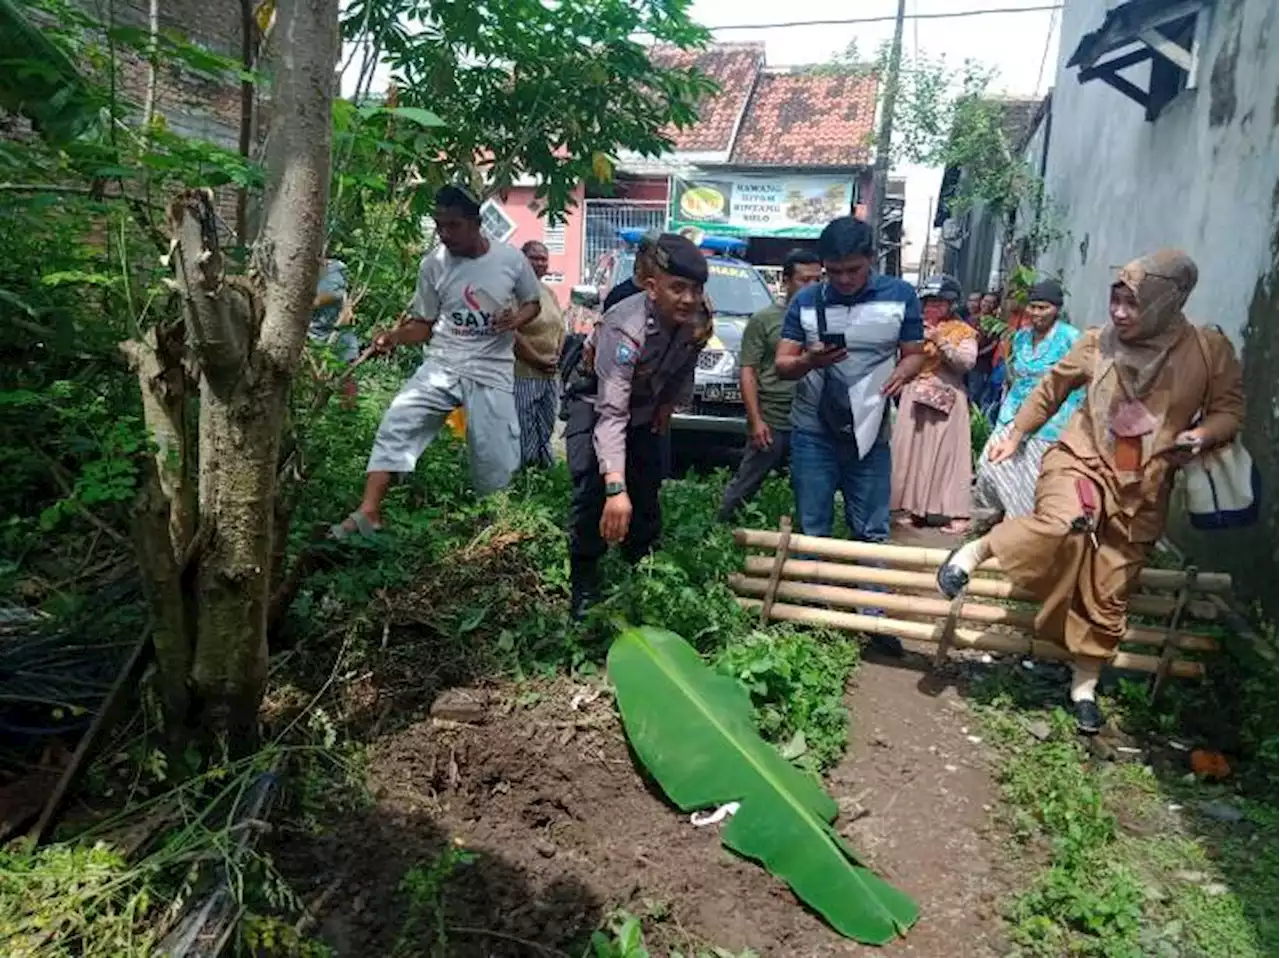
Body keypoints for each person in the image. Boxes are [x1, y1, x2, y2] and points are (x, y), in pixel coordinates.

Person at [937, 250, 1244, 733]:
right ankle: (976, 551)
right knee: (1064, 523)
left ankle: (1084, 686)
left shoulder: (1209, 352)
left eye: (1132, 304)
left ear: (1169, 302)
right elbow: (1051, 389)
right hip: (1080, 457)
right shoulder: (1097, 342)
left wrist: (1200, 436)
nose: (1119, 313)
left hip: (1145, 483)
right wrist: (1016, 434)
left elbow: (1229, 411)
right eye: (1115, 300)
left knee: (1110, 585)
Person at [330, 186, 541, 537]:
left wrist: (516, 320)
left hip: (491, 369)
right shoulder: (434, 265)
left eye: (453, 226)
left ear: (476, 223)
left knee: (495, 456)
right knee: (398, 421)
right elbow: (423, 326)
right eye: (439, 225)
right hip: (444, 362)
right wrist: (393, 337)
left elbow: (532, 302)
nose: (444, 234)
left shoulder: (510, 260)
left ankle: (497, 528)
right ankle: (369, 512)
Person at [564, 234, 712, 618]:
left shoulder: (699, 317)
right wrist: (616, 486)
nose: (688, 298)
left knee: (647, 491)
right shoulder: (624, 327)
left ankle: (639, 574)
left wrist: (667, 403)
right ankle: (584, 586)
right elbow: (611, 414)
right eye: (677, 288)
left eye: (695, 289)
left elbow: (687, 361)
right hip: (596, 404)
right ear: (651, 287)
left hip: (646, 408)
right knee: (594, 492)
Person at [776, 217, 926, 544]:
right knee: (813, 527)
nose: (843, 279)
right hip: (813, 432)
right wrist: (808, 361)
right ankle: (812, 594)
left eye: (853, 270)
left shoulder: (900, 296)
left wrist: (903, 371)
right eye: (834, 271)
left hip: (871, 432)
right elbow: (782, 364)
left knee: (872, 529)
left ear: (870, 258)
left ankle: (871, 592)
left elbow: (915, 353)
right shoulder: (805, 301)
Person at [717, 249, 822, 521]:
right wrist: (755, 420)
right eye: (804, 280)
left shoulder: (826, 317)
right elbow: (748, 371)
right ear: (786, 281)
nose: (811, 286)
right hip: (773, 415)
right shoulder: (764, 320)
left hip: (811, 419)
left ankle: (807, 541)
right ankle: (720, 529)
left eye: (817, 280)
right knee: (748, 480)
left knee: (809, 486)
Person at [973, 278, 1084, 520]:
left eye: (1043, 307)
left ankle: (1019, 529)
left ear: (1057, 309)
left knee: (1030, 477)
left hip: (1052, 418)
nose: (1036, 313)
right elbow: (1015, 374)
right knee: (989, 466)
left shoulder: (1071, 338)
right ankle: (999, 517)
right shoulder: (1021, 337)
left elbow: (1081, 379)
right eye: (1033, 306)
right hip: (1013, 412)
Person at [890, 275, 977, 534]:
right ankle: (914, 508)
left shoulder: (962, 331)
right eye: (928, 302)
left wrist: (940, 340)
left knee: (950, 456)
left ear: (950, 305)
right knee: (912, 453)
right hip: (916, 396)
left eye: (938, 303)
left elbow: (967, 362)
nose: (931, 308)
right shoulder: (912, 327)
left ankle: (957, 514)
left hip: (948, 398)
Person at [514, 240, 566, 468]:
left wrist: (556, 358)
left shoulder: (548, 293)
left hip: (549, 374)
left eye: (543, 258)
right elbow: (510, 333)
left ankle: (543, 477)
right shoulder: (514, 292)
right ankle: (522, 482)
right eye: (533, 257)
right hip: (523, 373)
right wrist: (537, 359)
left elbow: (561, 328)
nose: (539, 263)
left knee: (546, 427)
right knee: (524, 429)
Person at [602, 231, 658, 313]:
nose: (657, 264)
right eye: (653, 258)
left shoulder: (663, 297)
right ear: (639, 257)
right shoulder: (619, 296)